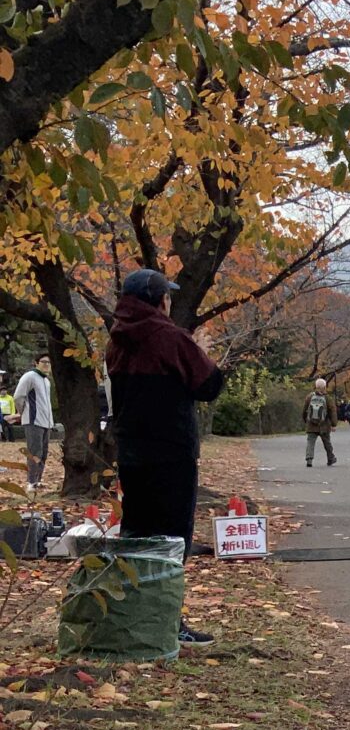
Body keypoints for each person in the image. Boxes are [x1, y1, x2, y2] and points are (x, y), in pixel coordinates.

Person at [105, 267, 226, 647]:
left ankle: (130, 616)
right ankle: (167, 621)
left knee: (137, 534)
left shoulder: (116, 341)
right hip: (171, 453)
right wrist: (199, 350)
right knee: (174, 539)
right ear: (160, 300)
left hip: (131, 452)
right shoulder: (171, 338)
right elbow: (210, 385)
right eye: (168, 296)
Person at [13, 352, 53, 491]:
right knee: (34, 452)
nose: (46, 364)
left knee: (43, 453)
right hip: (33, 420)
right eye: (44, 362)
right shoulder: (30, 376)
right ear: (36, 363)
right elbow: (18, 396)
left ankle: (38, 480)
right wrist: (22, 412)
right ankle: (31, 482)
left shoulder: (46, 381)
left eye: (49, 362)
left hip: (46, 422)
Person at [303, 377, 337, 467]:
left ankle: (309, 459)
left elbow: (305, 410)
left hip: (311, 425)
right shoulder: (327, 398)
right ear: (325, 387)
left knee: (310, 442)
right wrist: (333, 424)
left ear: (315, 386)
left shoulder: (309, 397)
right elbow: (332, 411)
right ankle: (330, 458)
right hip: (324, 425)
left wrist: (305, 420)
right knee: (327, 442)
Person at [0, 377, 16, 443]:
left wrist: (13, 415)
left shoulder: (10, 398)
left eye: (5, 390)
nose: (4, 391)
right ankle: (3, 440)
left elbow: (13, 406)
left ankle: (11, 440)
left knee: (10, 427)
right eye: (2, 390)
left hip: (9, 414)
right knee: (2, 428)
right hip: (1, 415)